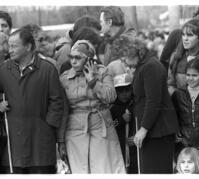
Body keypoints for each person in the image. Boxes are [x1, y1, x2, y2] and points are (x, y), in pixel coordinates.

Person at [0, 28, 64, 174]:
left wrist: (48, 126)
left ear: (28, 46)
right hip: (13, 144)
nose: (9, 50)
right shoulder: (4, 69)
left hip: (41, 143)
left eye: (13, 46)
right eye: (8, 45)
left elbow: (57, 102)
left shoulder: (47, 69)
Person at [60, 40, 125, 173]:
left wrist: (93, 81)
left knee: (104, 168)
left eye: (78, 57)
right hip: (75, 128)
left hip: (100, 125)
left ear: (89, 59)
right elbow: (60, 107)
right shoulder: (64, 77)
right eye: (71, 57)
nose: (73, 61)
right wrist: (60, 138)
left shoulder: (102, 72)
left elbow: (111, 97)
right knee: (79, 170)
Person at [132, 38, 179, 173]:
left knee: (156, 170)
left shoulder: (150, 66)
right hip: (154, 130)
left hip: (158, 130)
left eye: (124, 58)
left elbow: (154, 100)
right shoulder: (145, 65)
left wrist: (144, 129)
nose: (123, 62)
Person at [110, 73, 137, 173]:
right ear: (116, 92)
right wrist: (122, 120)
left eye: (127, 90)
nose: (124, 94)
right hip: (120, 147)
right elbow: (110, 126)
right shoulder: (113, 108)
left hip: (134, 145)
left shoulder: (135, 105)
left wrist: (136, 136)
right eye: (120, 91)